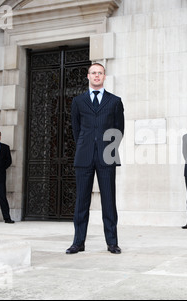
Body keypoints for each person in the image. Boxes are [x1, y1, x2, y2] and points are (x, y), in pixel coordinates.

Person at [66, 63, 125, 254]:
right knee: (81, 201)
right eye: (93, 73)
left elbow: (119, 129)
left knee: (109, 201)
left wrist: (108, 147)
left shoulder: (115, 101)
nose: (96, 76)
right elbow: (76, 129)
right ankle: (78, 242)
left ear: (104, 76)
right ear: (88, 76)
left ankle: (112, 242)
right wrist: (85, 144)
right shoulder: (78, 101)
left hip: (107, 156)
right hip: (84, 156)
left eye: (100, 73)